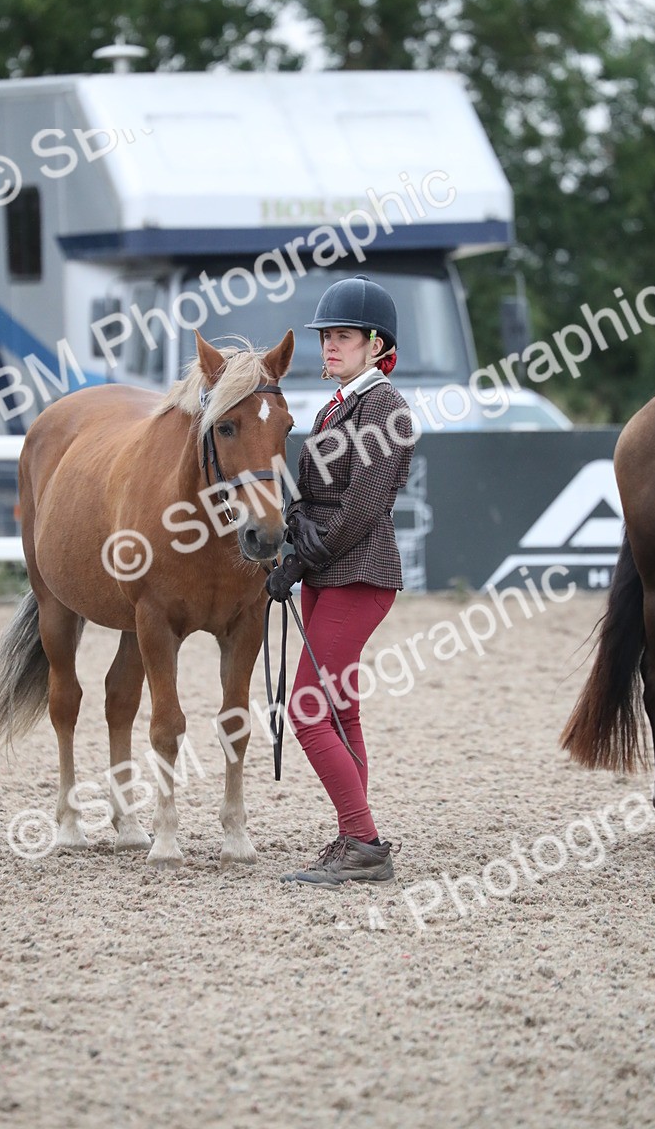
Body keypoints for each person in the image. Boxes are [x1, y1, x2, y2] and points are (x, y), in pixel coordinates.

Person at [266, 274, 414, 888]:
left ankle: (363, 841)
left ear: (377, 345)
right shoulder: (338, 403)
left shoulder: (386, 407)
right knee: (341, 710)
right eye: (327, 336)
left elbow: (362, 506)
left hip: (358, 574)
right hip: (327, 574)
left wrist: (299, 561)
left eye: (343, 337)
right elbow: (315, 495)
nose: (329, 346)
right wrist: (293, 526)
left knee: (307, 709)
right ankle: (354, 831)